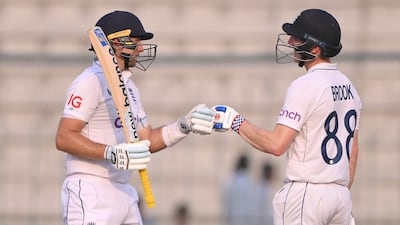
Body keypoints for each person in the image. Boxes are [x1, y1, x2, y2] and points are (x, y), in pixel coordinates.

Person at [55, 10, 215, 225]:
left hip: (123, 190)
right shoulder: (90, 81)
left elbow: (145, 139)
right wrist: (111, 153)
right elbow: (64, 137)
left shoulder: (130, 88)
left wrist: (184, 126)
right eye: (136, 41)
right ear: (116, 43)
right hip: (91, 189)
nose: (141, 48)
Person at [213, 9, 361, 225]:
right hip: (340, 195)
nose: (291, 41)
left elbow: (276, 145)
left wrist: (234, 121)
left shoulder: (305, 85)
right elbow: (353, 152)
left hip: (306, 194)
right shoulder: (349, 87)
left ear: (316, 48)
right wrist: (336, 191)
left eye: (298, 38)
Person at [222, 154, 258, 225]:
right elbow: (252, 205)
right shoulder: (250, 181)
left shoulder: (230, 180)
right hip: (246, 219)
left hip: (233, 218)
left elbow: (226, 201)